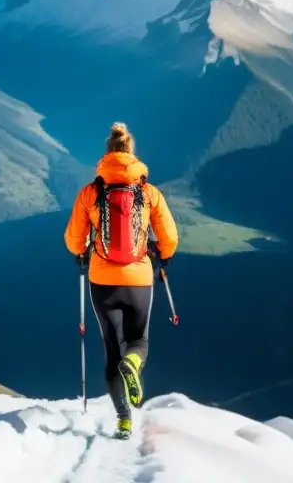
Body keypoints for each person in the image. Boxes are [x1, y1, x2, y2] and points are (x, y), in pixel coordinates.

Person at [64, 122, 179, 440]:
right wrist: (162, 255)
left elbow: (74, 240)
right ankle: (134, 362)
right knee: (138, 341)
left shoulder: (90, 193)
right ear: (132, 154)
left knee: (111, 350)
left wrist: (83, 251)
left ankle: (124, 420)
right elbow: (169, 237)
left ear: (106, 154)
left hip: (102, 280)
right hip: (140, 278)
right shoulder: (148, 192)